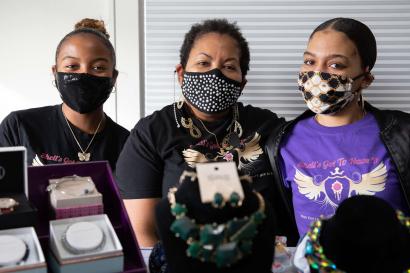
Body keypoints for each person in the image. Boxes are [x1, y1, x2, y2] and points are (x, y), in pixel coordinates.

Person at [115, 18, 285, 247]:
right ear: (181, 74)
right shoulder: (152, 132)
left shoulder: (266, 126)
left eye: (229, 66)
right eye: (204, 63)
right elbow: (143, 233)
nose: (215, 74)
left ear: (242, 83)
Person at [266, 17, 410, 244]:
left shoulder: (403, 133)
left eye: (336, 65)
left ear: (365, 78)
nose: (317, 74)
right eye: (309, 61)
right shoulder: (281, 141)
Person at [0, 18, 129, 171]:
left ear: (113, 77)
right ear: (55, 73)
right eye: (72, 66)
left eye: (98, 67)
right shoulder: (19, 127)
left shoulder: (129, 144)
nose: (84, 74)